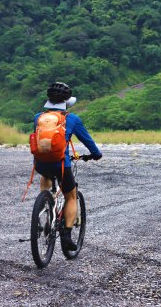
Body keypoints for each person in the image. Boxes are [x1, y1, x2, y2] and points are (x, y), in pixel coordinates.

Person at [33, 82, 102, 251]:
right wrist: (96, 154)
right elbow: (88, 142)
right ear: (66, 102)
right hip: (61, 165)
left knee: (46, 175)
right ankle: (67, 236)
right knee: (71, 196)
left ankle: (45, 206)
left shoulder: (38, 117)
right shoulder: (71, 119)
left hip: (41, 163)